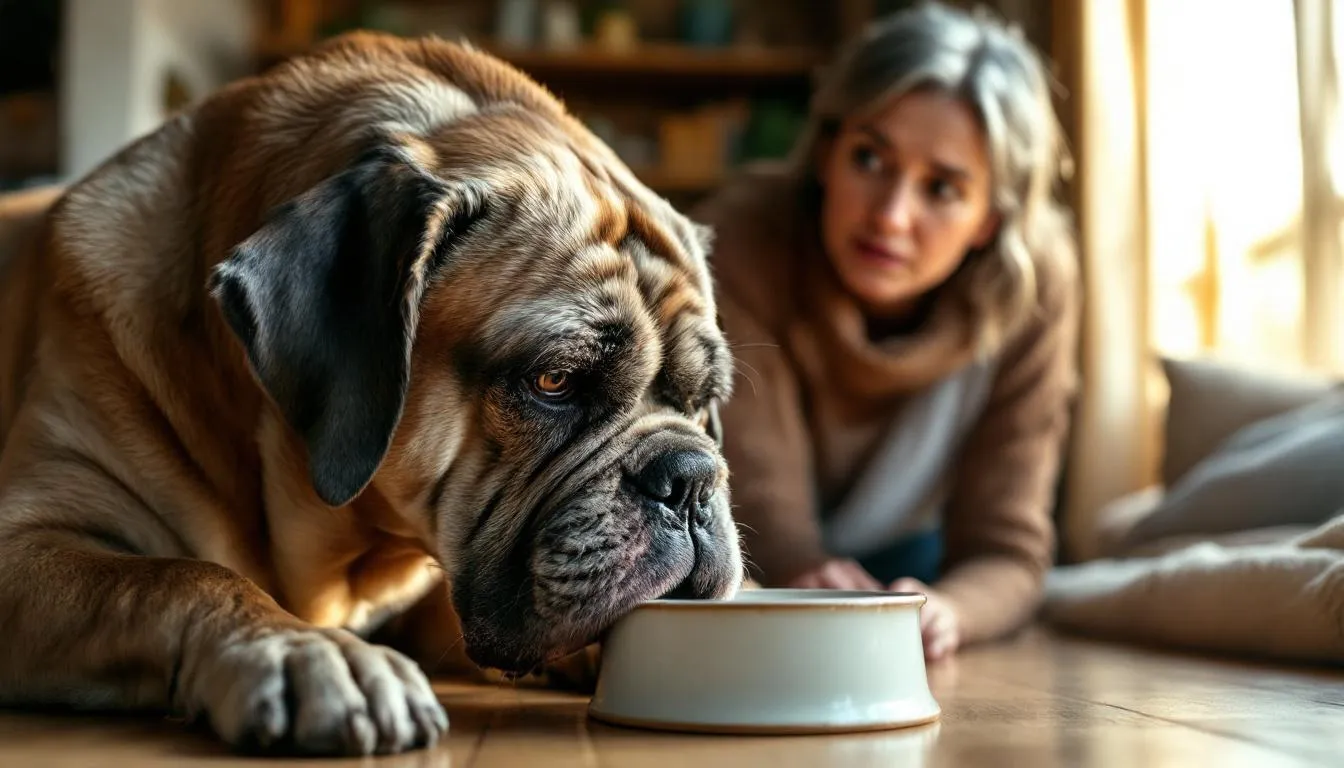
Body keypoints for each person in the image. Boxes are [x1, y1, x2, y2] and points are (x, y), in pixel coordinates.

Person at [695, 1, 1081, 661]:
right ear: (825, 151)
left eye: (943, 190)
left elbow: (1009, 549)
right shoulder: (742, 239)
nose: (892, 217)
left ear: (990, 219)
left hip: (916, 562)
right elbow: (753, 499)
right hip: (742, 555)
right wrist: (799, 570)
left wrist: (950, 609)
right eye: (870, 159)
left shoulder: (1034, 283)